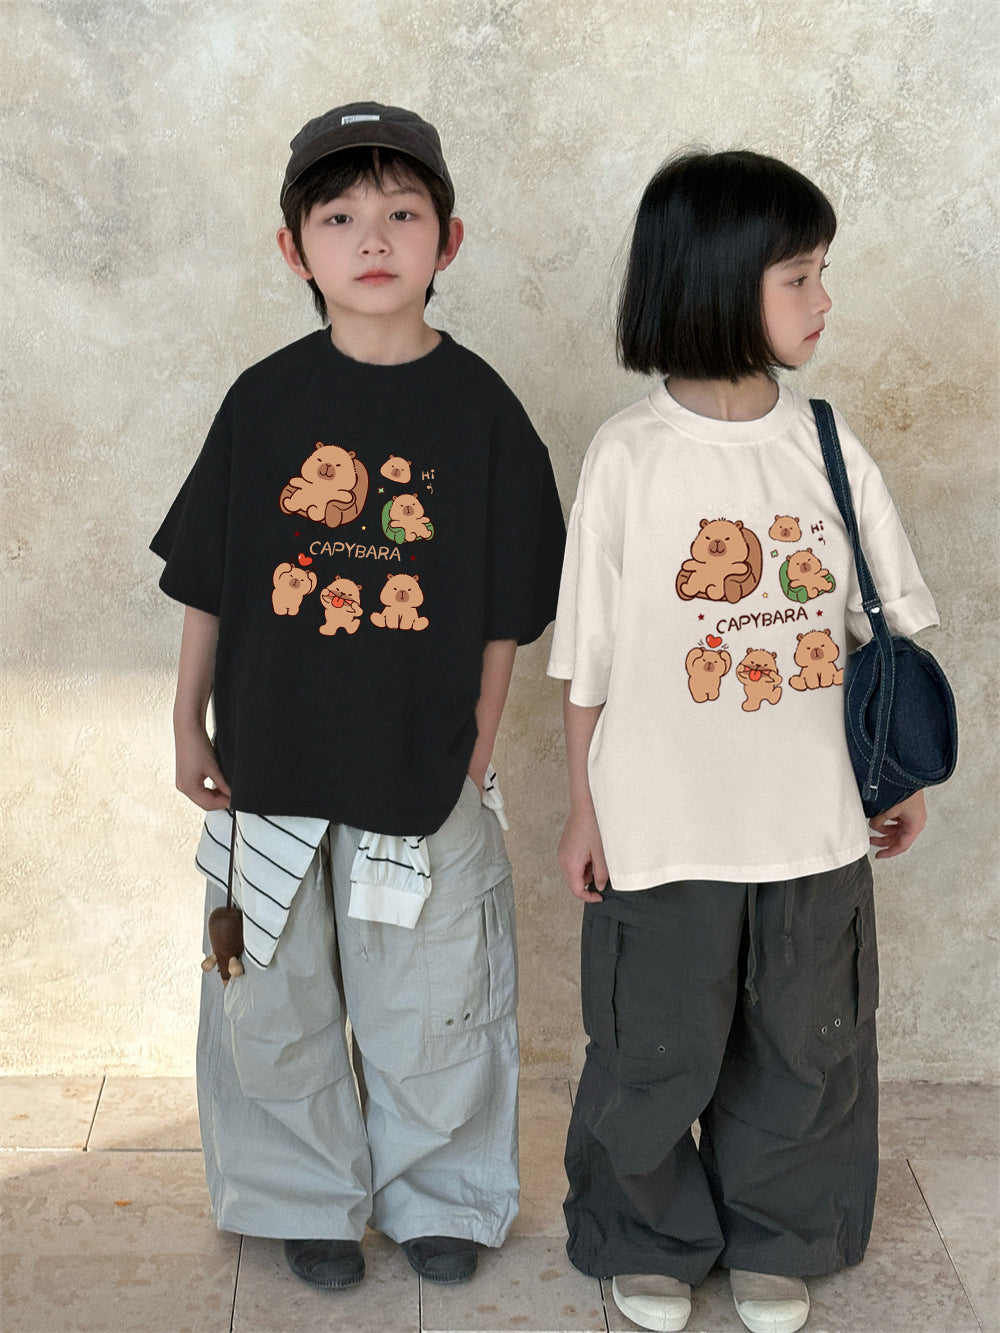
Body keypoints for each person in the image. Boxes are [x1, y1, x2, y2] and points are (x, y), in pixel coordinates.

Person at [151, 102, 565, 1293]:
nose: (372, 238)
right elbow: (210, 578)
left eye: (401, 212)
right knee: (270, 996)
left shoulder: (482, 410)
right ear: (294, 248)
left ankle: (441, 1193)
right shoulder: (264, 402)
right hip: (269, 759)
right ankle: (301, 1195)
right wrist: (186, 719)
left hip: (422, 761)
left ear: (449, 239)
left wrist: (479, 739)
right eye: (338, 217)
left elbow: (505, 606)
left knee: (436, 993)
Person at [547, 150, 939, 1333]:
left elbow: (880, 622)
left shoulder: (824, 442)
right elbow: (587, 659)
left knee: (806, 1045)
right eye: (799, 277)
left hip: (810, 823)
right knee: (649, 1049)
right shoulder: (628, 453)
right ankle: (647, 1235)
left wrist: (902, 778)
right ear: (718, 283)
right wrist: (582, 807)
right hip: (659, 824)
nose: (823, 301)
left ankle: (781, 1236)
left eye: (821, 273)